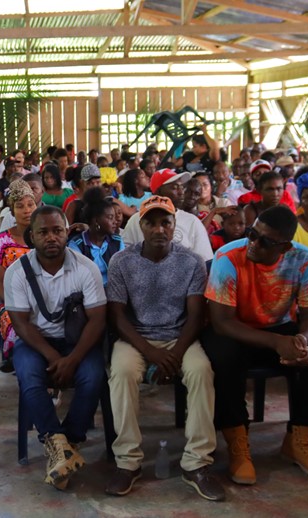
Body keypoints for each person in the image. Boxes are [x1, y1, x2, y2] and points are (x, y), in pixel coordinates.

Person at [203, 205, 308, 485]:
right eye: (252, 234)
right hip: (236, 329)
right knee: (222, 358)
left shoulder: (303, 259)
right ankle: (238, 445)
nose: (253, 244)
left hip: (280, 327)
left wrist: (301, 342)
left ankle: (300, 439)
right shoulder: (228, 257)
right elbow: (221, 322)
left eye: (264, 241)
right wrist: (277, 342)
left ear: (285, 246)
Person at [104, 196, 222, 501]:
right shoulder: (122, 261)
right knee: (122, 372)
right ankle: (128, 462)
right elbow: (117, 316)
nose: (159, 229)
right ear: (140, 226)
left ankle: (196, 463)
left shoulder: (191, 261)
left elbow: (196, 316)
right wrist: (152, 352)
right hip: (135, 337)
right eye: (151, 222)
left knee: (200, 371)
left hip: (178, 337)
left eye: (165, 222)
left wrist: (176, 353)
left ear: (174, 225)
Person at [4, 205, 107, 490]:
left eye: (58, 231)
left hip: (77, 342)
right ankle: (58, 443)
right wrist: (53, 357)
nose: (52, 238)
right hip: (37, 343)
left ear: (67, 233)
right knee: (28, 373)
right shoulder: (17, 273)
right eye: (43, 232)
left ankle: (67, 443)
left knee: (93, 375)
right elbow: (22, 325)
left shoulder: (85, 268)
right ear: (31, 237)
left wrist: (72, 359)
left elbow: (98, 320)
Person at [0, 180, 36, 368]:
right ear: (12, 211)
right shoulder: (3, 242)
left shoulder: (41, 236)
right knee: (13, 319)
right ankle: (19, 358)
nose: (26, 210)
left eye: (30, 204)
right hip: (8, 298)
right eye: (20, 206)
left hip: (42, 296)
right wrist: (15, 304)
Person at [122, 169, 213, 262]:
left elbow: (205, 261)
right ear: (158, 192)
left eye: (181, 187)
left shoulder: (192, 222)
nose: (181, 192)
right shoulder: (136, 219)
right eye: (174, 187)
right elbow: (125, 257)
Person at [67, 187, 122, 284]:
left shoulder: (117, 241)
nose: (115, 221)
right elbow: (77, 277)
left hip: (114, 291)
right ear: (96, 221)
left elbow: (122, 272)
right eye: (110, 218)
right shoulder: (77, 245)